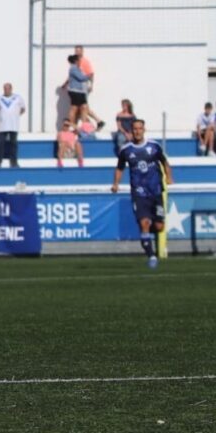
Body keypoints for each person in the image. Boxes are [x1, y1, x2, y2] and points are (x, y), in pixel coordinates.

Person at [112, 119, 173, 269]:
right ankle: (151, 256)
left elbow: (164, 162)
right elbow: (120, 168)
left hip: (156, 191)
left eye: (140, 128)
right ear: (131, 131)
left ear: (144, 130)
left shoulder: (154, 146)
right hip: (139, 193)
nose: (137, 131)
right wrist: (116, 184)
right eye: (135, 129)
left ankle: (146, 235)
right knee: (144, 223)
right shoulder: (126, 150)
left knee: (159, 226)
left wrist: (169, 177)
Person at [0, 83, 25, 168]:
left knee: (13, 143)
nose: (6, 90)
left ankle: (14, 161)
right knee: (0, 143)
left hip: (14, 125)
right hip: (3, 125)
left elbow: (23, 108)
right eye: (5, 89)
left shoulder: (18, 97)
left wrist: (15, 115)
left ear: (11, 89)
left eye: (8, 88)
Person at [74, 45, 106, 129]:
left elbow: (91, 74)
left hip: (82, 87)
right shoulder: (75, 62)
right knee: (82, 108)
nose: (77, 52)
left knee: (83, 107)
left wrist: (91, 85)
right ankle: (97, 122)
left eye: (78, 50)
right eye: (76, 51)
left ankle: (96, 122)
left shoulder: (85, 62)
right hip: (77, 88)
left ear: (82, 51)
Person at [64, 54, 92, 126]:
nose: (80, 62)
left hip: (79, 91)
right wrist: (89, 76)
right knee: (74, 108)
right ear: (76, 61)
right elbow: (81, 78)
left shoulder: (76, 68)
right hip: (75, 91)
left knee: (83, 107)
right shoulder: (74, 68)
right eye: (79, 60)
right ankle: (72, 125)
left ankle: (83, 125)